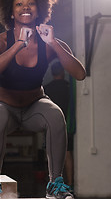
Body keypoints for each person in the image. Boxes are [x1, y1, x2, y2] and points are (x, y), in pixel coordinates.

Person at [0, 0, 86, 199]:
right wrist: (17, 45)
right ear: (11, 10)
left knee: (56, 115)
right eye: (19, 3)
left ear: (40, 9)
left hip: (34, 106)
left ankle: (55, 184)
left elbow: (80, 73)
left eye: (31, 3)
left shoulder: (49, 42)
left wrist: (54, 43)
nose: (25, 7)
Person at [44, 61, 74, 192]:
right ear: (62, 72)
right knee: (67, 154)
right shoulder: (69, 88)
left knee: (51, 154)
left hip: (50, 124)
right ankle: (70, 184)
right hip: (66, 124)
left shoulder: (46, 88)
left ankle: (53, 182)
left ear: (52, 73)